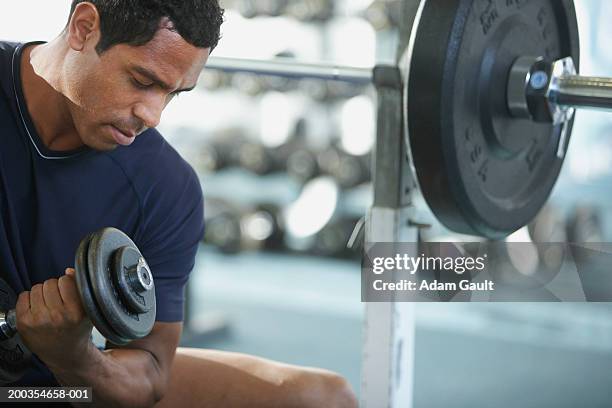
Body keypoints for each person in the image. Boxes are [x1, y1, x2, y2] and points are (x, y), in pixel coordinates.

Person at [0, 1, 357, 407]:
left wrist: (74, 357)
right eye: (141, 80)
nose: (152, 115)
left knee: (325, 399)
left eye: (173, 93)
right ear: (84, 28)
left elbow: (150, 373)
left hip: (45, 390)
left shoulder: (165, 186)